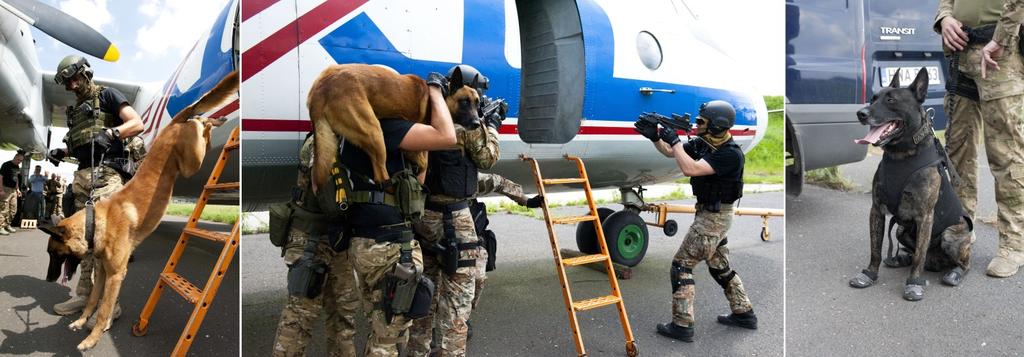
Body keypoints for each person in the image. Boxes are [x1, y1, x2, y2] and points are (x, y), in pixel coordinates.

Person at [320, 70, 454, 356]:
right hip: (388, 247)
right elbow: (446, 136)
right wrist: (435, 91)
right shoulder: (389, 129)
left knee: (381, 326)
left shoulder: (349, 134)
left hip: (363, 244)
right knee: (388, 339)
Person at [634, 100, 757, 342]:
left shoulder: (729, 154)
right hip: (712, 217)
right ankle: (744, 313)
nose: (696, 124)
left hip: (714, 219)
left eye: (701, 122)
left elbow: (690, 168)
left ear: (717, 126)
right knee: (720, 268)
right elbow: (673, 153)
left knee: (681, 266)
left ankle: (682, 325)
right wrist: (656, 138)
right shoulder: (705, 143)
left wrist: (676, 140)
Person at [408, 65, 503, 356]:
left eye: (475, 103)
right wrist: (493, 127)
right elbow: (488, 159)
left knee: (424, 297)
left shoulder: (422, 124)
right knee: (458, 306)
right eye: (466, 102)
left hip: (424, 220)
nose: (472, 109)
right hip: (457, 222)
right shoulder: (465, 132)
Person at [47, 55, 145, 322]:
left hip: (108, 175)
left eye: (74, 78)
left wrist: (112, 133)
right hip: (82, 178)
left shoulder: (108, 96)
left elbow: (137, 123)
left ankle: (109, 305)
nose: (71, 86)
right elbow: (84, 143)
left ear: (86, 73)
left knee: (109, 244)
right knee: (82, 243)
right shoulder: (76, 111)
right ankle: (84, 295)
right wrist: (62, 151)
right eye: (67, 83)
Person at [936, 0, 1024, 277]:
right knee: (959, 151)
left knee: (1006, 153)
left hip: (1002, 54)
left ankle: (1013, 243)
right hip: (961, 54)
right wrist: (945, 19)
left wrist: (1002, 39)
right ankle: (963, 228)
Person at [271, 135, 362, 357]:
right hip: (311, 240)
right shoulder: (322, 141)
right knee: (300, 318)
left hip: (337, 241)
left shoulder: (342, 140)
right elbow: (323, 186)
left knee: (344, 315)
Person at [0, 150, 25, 235]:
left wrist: (17, 189)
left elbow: (16, 178)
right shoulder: (6, 165)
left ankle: (7, 225)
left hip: (13, 190)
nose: (19, 162)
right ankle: (1, 227)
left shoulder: (17, 167)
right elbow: (0, 177)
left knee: (13, 210)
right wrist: (1, 190)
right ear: (15, 157)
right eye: (18, 160)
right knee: (4, 209)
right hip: (5, 189)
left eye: (21, 161)